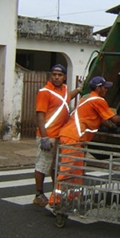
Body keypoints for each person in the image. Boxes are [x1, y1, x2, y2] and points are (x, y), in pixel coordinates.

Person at [49, 76, 120, 205]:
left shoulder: (86, 97)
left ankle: (74, 197)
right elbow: (115, 119)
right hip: (73, 137)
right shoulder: (98, 100)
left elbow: (97, 117)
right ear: (98, 88)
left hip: (76, 138)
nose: (106, 90)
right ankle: (55, 201)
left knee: (77, 171)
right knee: (67, 170)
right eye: (105, 87)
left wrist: (110, 126)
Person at [33, 64, 81, 207]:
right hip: (48, 135)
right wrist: (44, 137)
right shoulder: (45, 92)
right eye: (54, 74)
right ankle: (39, 194)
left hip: (60, 135)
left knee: (56, 166)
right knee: (43, 165)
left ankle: (56, 191)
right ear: (50, 76)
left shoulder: (65, 90)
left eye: (60, 75)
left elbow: (66, 99)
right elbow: (40, 115)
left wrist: (78, 90)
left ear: (64, 77)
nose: (57, 77)